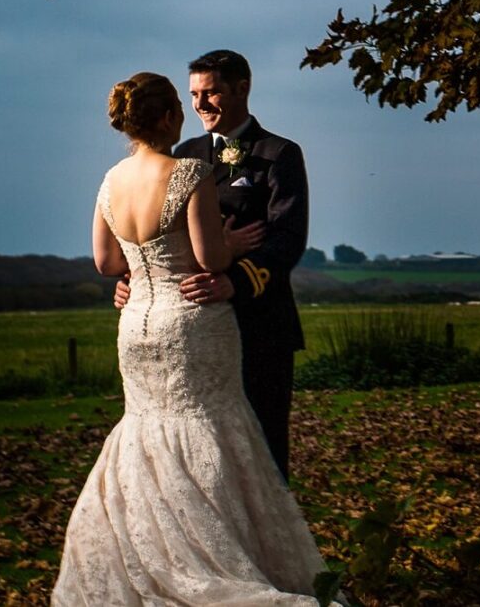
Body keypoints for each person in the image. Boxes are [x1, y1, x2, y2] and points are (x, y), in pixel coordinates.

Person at [54, 72, 330, 605]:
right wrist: (225, 241)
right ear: (166, 117)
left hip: (136, 325)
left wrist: (140, 276)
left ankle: (148, 554)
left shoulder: (111, 179)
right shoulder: (189, 171)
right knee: (211, 429)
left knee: (146, 433)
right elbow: (210, 261)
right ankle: (219, 557)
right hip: (191, 321)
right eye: (182, 102)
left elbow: (107, 262)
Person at [114, 48, 308, 480]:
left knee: (262, 452)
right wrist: (136, 278)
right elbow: (158, 230)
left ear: (242, 89)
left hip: (258, 326)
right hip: (192, 331)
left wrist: (236, 280)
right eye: (194, 95)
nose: (201, 104)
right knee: (200, 455)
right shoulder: (184, 153)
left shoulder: (279, 154)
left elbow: (287, 241)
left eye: (212, 93)